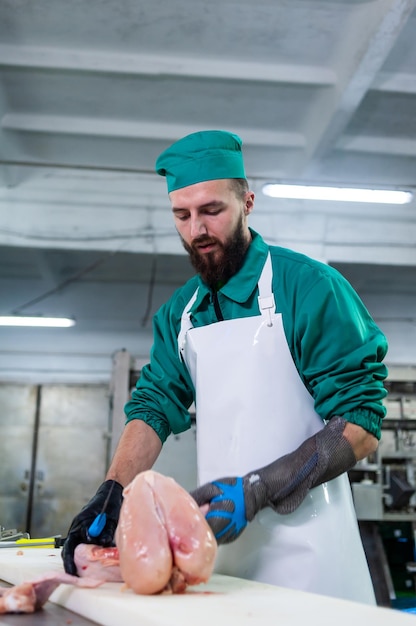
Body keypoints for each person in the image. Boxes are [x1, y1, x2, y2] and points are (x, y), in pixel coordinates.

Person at [62, 130, 388, 604]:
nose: (197, 230)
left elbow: (361, 423)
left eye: (211, 211)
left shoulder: (310, 288)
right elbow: (154, 403)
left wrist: (259, 488)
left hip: (313, 565)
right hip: (219, 557)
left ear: (247, 202)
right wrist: (112, 489)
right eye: (182, 215)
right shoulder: (181, 314)